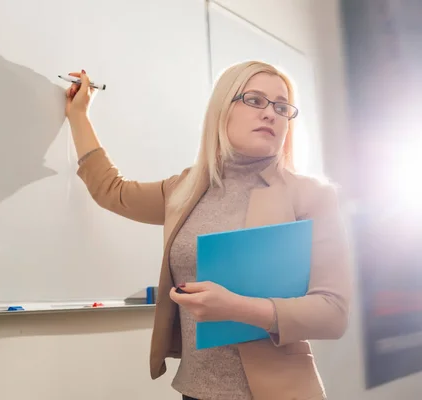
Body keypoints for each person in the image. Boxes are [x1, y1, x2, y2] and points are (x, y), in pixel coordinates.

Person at [64, 61, 352, 400]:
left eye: (282, 106)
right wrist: (78, 115)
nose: (271, 114)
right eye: (256, 100)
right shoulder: (185, 189)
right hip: (195, 391)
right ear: (222, 108)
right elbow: (112, 191)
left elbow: (333, 312)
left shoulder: (310, 195)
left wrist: (237, 308)